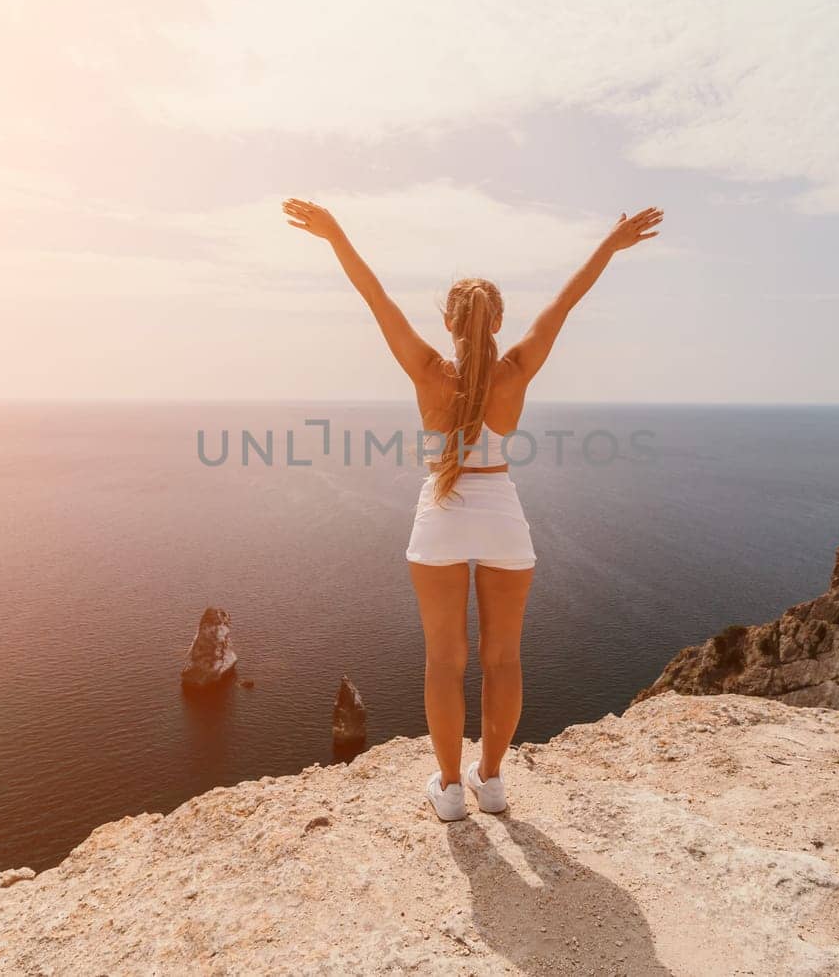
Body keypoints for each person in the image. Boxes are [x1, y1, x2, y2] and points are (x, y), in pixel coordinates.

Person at [282, 196, 664, 820]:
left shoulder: (429, 370)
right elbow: (566, 303)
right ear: (497, 323)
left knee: (444, 660)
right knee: (503, 658)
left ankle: (451, 789)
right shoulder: (515, 370)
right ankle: (492, 781)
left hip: (440, 516)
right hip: (503, 518)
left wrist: (335, 235)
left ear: (450, 323)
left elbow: (373, 296)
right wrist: (609, 245)